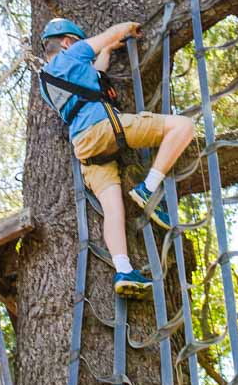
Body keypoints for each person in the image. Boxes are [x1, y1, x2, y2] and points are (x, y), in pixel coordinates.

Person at [38, 17, 196, 298]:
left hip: (85, 148)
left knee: (113, 209)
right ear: (67, 42)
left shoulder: (47, 81)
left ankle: (123, 269)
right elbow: (111, 32)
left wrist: (108, 50)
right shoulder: (72, 54)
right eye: (77, 42)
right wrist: (126, 28)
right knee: (184, 127)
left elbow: (94, 74)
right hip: (102, 129)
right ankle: (148, 188)